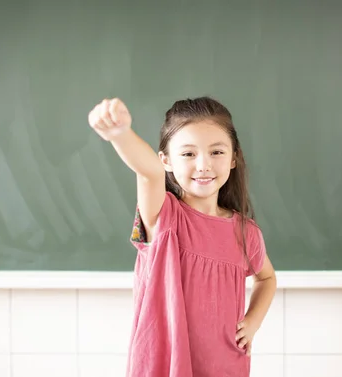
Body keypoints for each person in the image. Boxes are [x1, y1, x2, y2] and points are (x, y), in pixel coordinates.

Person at [88, 96, 277, 377]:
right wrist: (120, 134)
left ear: (234, 157)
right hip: (164, 367)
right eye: (188, 154)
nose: (203, 165)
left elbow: (267, 278)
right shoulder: (163, 217)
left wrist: (253, 322)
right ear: (166, 160)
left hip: (226, 366)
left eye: (217, 152)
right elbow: (148, 173)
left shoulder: (245, 232)